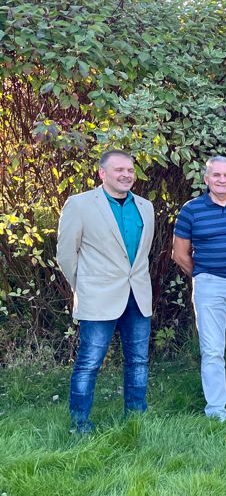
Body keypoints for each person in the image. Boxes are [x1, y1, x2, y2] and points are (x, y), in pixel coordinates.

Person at [57, 150, 155, 434]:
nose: (126, 175)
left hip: (138, 295)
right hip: (97, 296)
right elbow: (66, 254)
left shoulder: (145, 207)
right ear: (102, 173)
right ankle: (80, 424)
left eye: (130, 170)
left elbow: (141, 255)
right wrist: (83, 286)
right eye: (119, 170)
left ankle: (136, 417)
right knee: (89, 362)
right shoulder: (80, 205)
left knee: (138, 360)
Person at [172, 156, 226, 422]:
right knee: (212, 349)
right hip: (210, 285)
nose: (222, 180)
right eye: (216, 175)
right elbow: (180, 253)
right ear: (206, 179)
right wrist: (203, 273)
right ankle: (216, 409)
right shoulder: (192, 209)